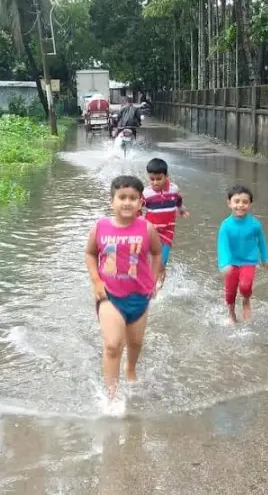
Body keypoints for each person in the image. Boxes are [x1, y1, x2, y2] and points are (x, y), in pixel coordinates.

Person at [85, 175, 165, 404]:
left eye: (133, 198)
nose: (127, 202)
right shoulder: (100, 227)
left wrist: (153, 279)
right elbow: (90, 254)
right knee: (112, 345)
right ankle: (111, 397)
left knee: (135, 343)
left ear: (141, 202)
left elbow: (157, 253)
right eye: (122, 197)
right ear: (112, 201)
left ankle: (130, 370)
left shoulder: (147, 228)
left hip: (139, 296)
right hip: (109, 295)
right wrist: (96, 281)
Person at [217, 185, 268, 324]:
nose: (241, 205)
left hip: (249, 261)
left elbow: (262, 241)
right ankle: (231, 314)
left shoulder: (254, 224)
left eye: (245, 202)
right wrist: (224, 263)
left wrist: (265, 257)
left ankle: (246, 300)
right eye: (237, 201)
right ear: (229, 203)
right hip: (231, 263)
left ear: (250, 204)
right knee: (230, 293)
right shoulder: (226, 225)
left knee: (245, 286)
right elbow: (222, 246)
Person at [143, 158, 189, 280]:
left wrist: (182, 210)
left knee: (162, 264)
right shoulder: (146, 193)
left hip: (168, 231)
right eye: (152, 179)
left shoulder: (174, 189)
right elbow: (137, 208)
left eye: (159, 179)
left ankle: (158, 290)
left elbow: (178, 200)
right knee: (147, 261)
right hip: (150, 231)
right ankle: (147, 284)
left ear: (166, 176)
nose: (155, 183)